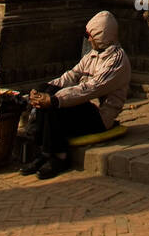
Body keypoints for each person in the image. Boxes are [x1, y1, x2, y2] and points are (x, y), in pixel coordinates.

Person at [21, 10, 131, 180]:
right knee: (47, 91)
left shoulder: (117, 60)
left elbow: (90, 88)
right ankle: (44, 152)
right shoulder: (92, 55)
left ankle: (59, 156)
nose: (88, 39)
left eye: (90, 35)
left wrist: (56, 99)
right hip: (82, 106)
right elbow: (72, 76)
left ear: (101, 35)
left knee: (54, 106)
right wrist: (44, 90)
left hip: (99, 117)